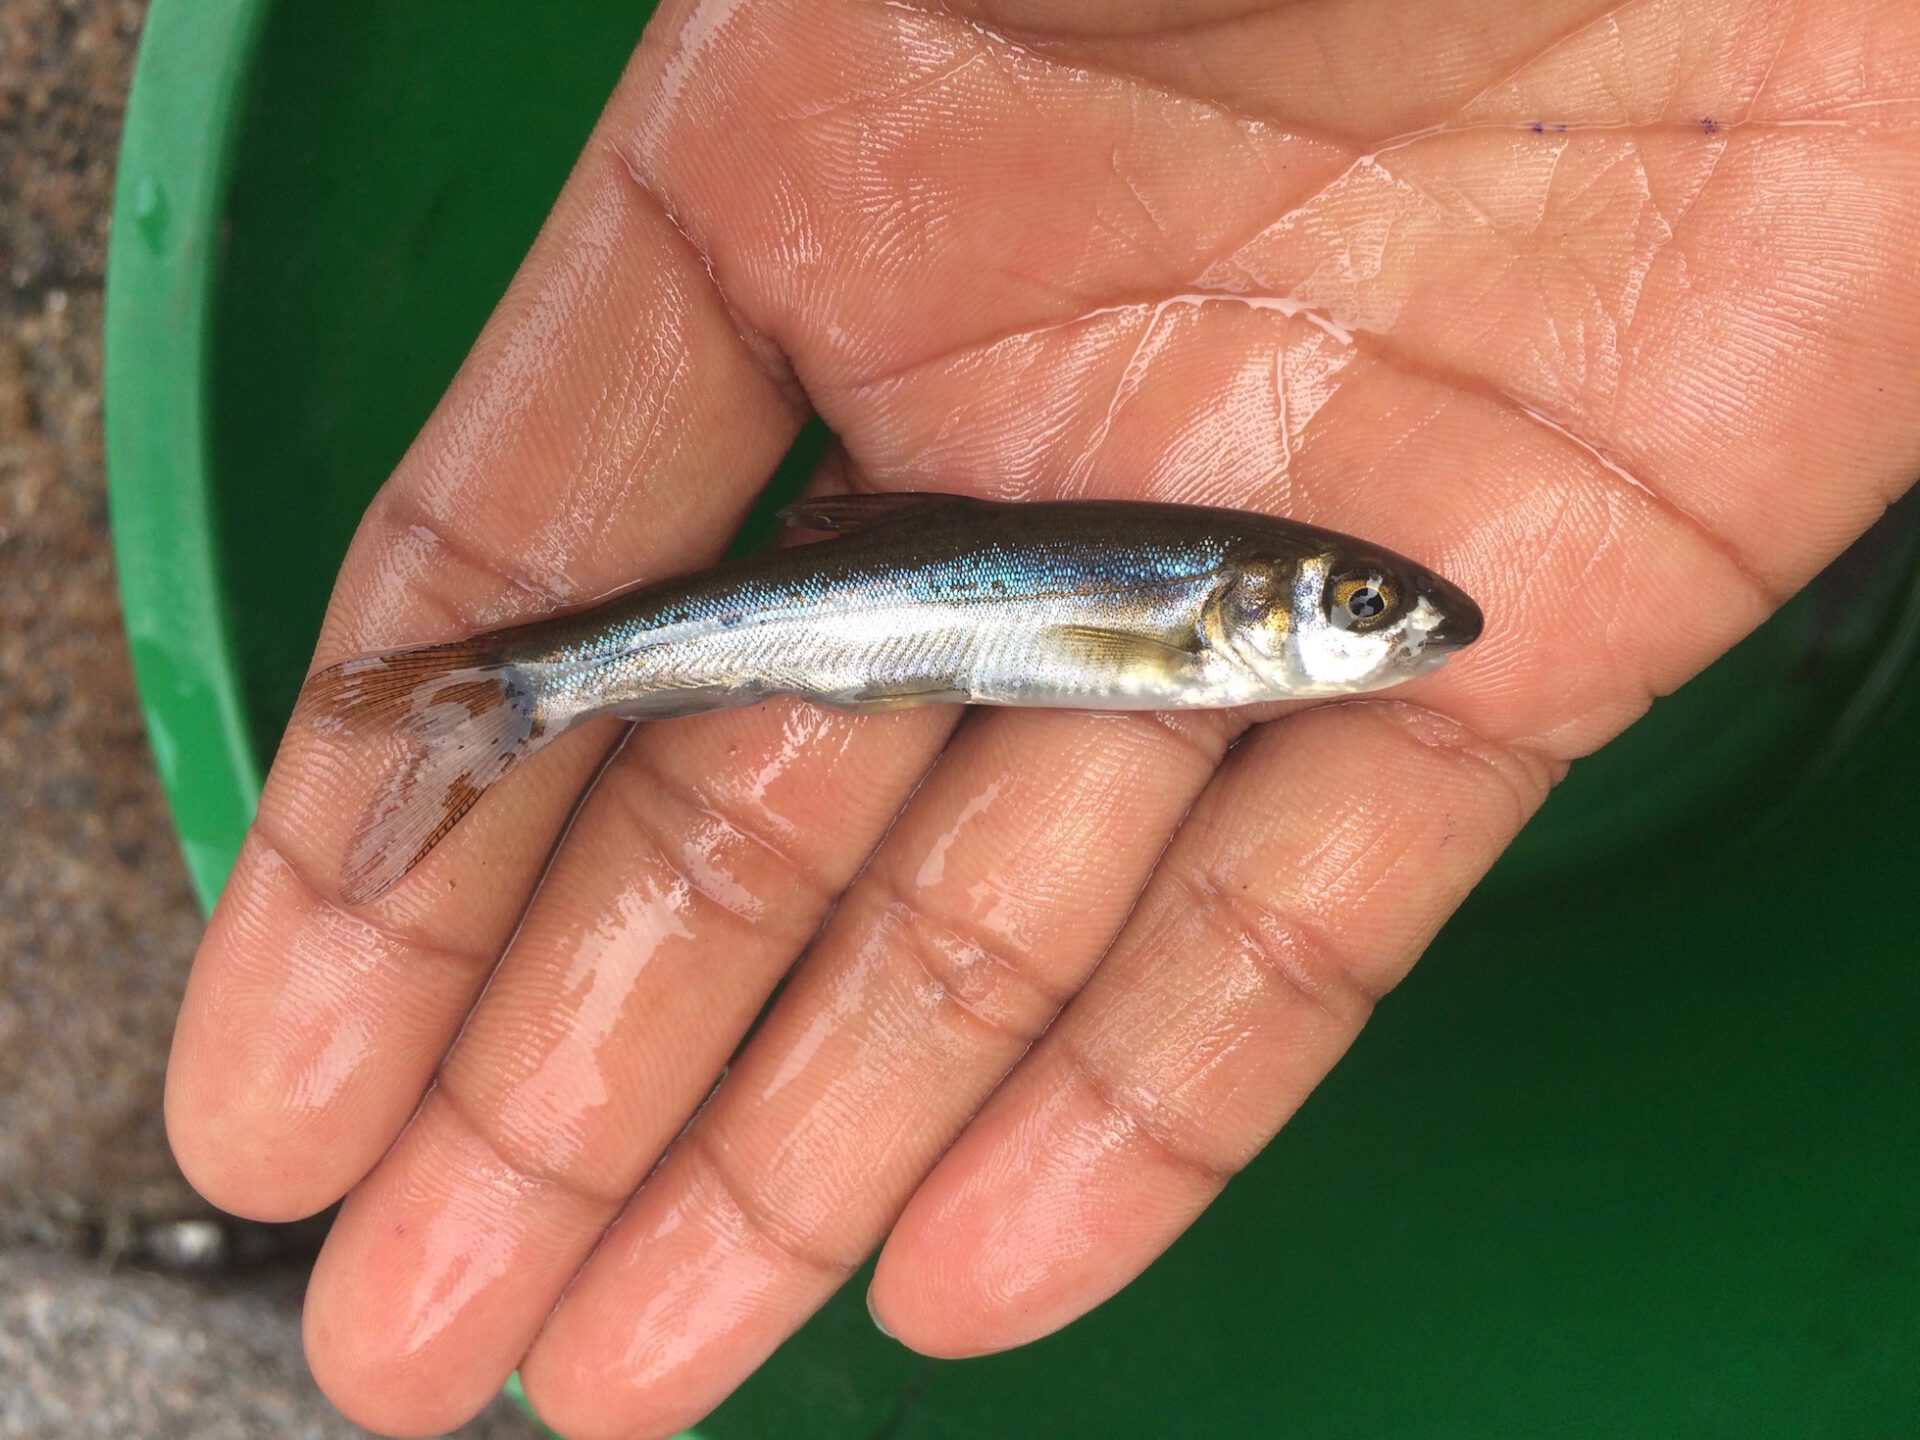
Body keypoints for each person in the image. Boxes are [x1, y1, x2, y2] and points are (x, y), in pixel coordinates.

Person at [162, 2, 1920, 1436]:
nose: (1398, 632)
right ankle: (513, 689)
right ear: (1258, 609)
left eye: (1375, 611)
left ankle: (509, 692)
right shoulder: (1191, 628)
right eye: (1364, 610)